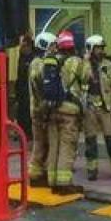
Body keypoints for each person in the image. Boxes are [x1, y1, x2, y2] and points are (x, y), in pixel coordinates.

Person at [44, 29, 84, 195]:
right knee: (67, 146)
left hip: (53, 109)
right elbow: (88, 77)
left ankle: (52, 181)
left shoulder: (51, 61)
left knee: (54, 146)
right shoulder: (77, 61)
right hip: (70, 110)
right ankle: (64, 183)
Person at [80, 35, 111, 181]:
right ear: (91, 49)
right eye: (98, 48)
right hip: (89, 107)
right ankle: (92, 170)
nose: (101, 51)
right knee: (90, 140)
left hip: (106, 107)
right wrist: (86, 61)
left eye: (102, 48)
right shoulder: (83, 65)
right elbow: (83, 78)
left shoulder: (108, 65)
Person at [27, 32, 56, 187]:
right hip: (40, 111)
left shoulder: (39, 61)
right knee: (40, 144)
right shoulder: (38, 63)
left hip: (39, 110)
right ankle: (35, 174)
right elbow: (39, 83)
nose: (55, 48)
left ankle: (38, 173)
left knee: (42, 144)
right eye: (52, 45)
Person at [14, 32, 35, 140]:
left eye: (23, 46)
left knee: (27, 113)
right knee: (21, 112)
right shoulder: (21, 58)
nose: (21, 48)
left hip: (29, 90)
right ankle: (22, 132)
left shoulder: (32, 59)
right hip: (21, 90)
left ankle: (28, 133)